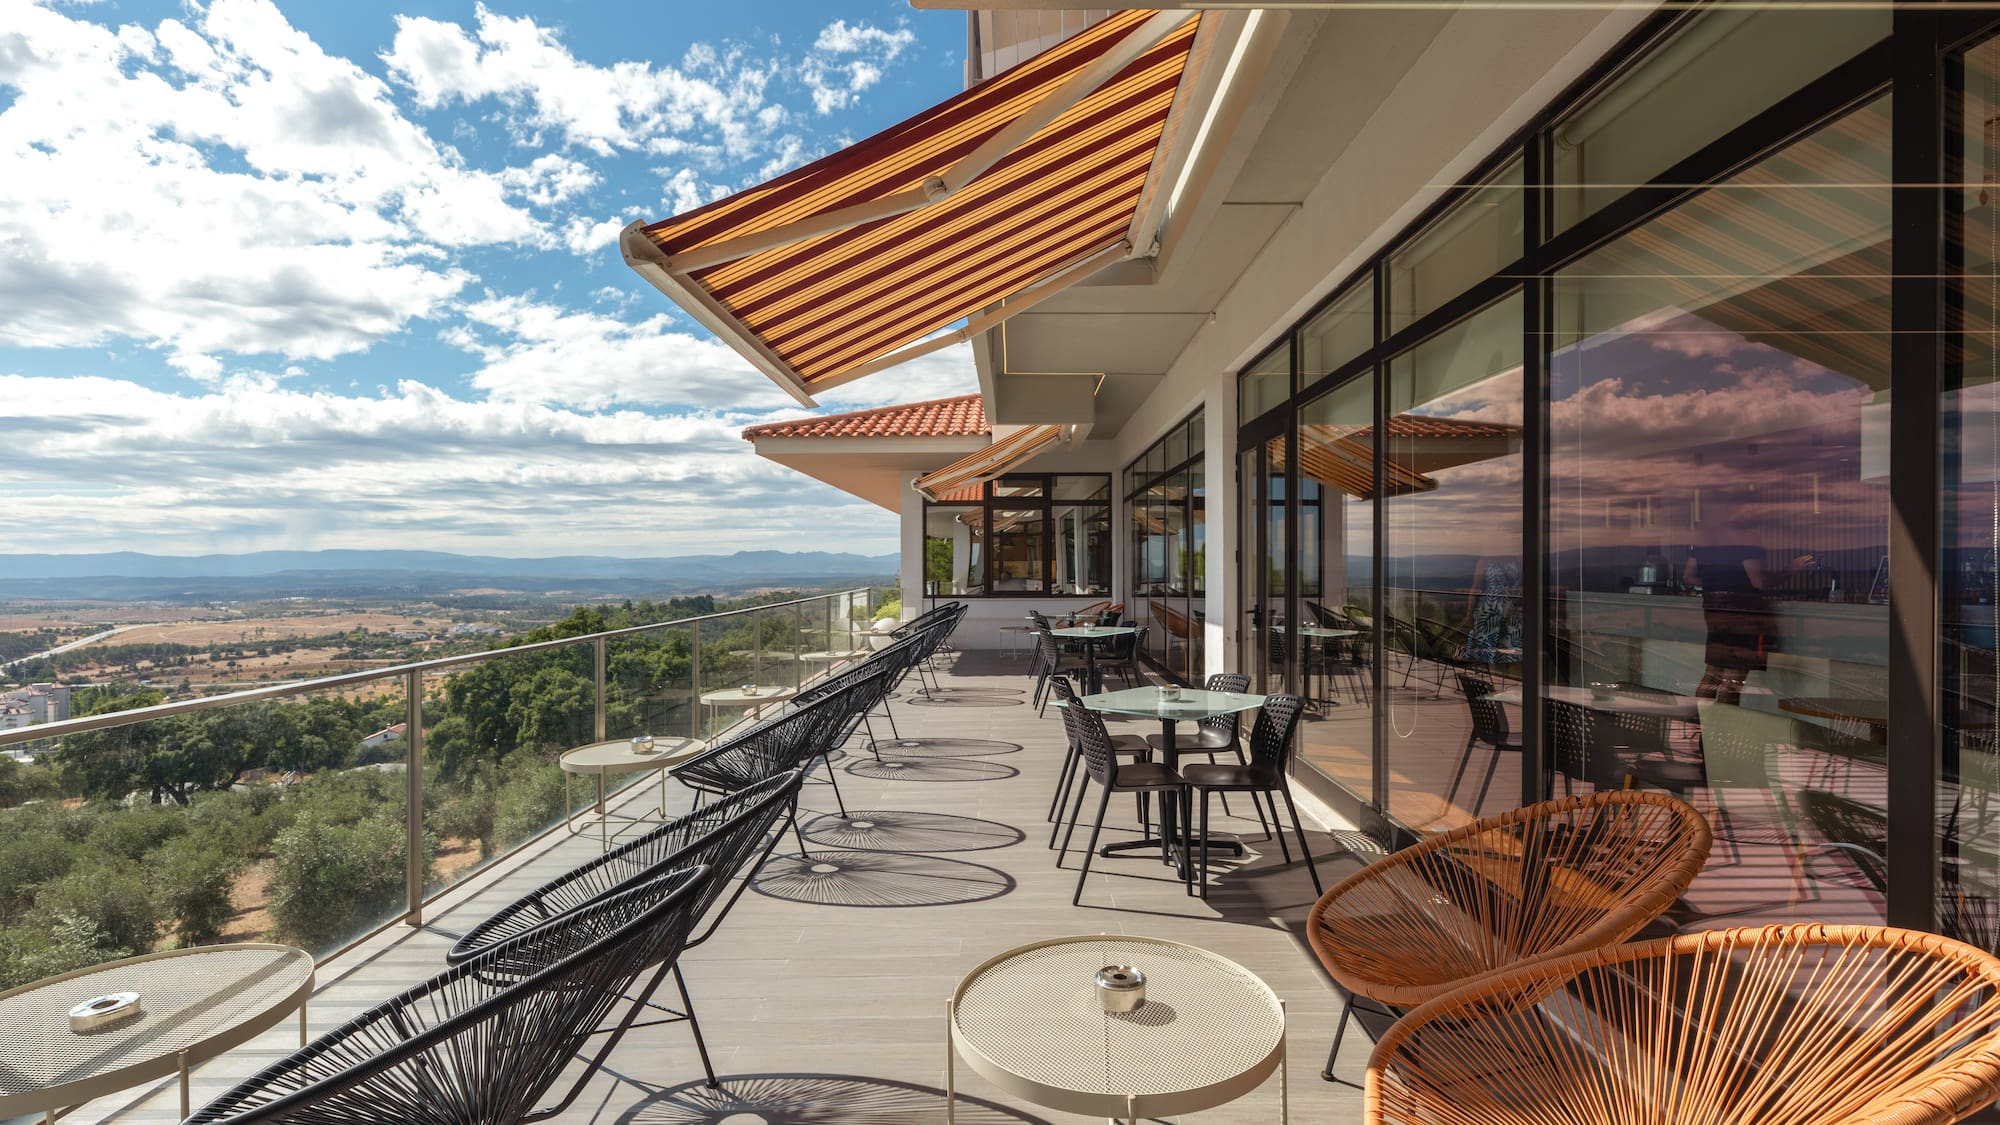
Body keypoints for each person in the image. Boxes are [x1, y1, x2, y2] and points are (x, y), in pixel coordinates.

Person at [1684, 497, 1812, 704]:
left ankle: (1700, 726)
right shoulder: (1748, 537)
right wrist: (1791, 569)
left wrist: (1716, 585)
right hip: (1741, 612)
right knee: (1733, 677)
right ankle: (1721, 732)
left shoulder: (1705, 537)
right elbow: (1759, 582)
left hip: (1713, 610)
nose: (1756, 512)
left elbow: (1688, 577)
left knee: (1713, 672)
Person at [1462, 555, 1523, 666]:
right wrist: (1469, 614)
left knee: (1509, 654)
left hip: (1511, 613)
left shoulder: (1518, 559)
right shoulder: (1485, 561)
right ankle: (1488, 678)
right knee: (1486, 652)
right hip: (1489, 612)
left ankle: (1502, 680)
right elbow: (1475, 587)